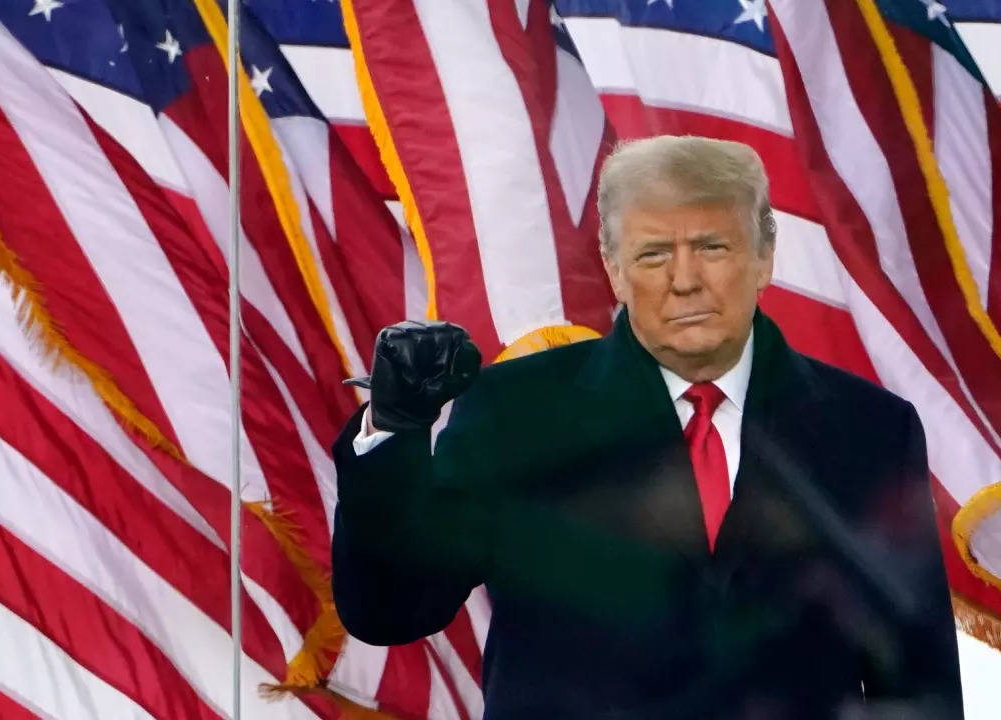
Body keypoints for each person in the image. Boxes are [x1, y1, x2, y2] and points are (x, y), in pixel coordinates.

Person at [331, 135, 962, 719]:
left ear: (765, 256)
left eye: (712, 247)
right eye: (654, 253)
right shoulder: (516, 411)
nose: (685, 281)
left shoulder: (870, 427)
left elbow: (912, 677)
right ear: (613, 268)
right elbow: (390, 608)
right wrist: (395, 429)